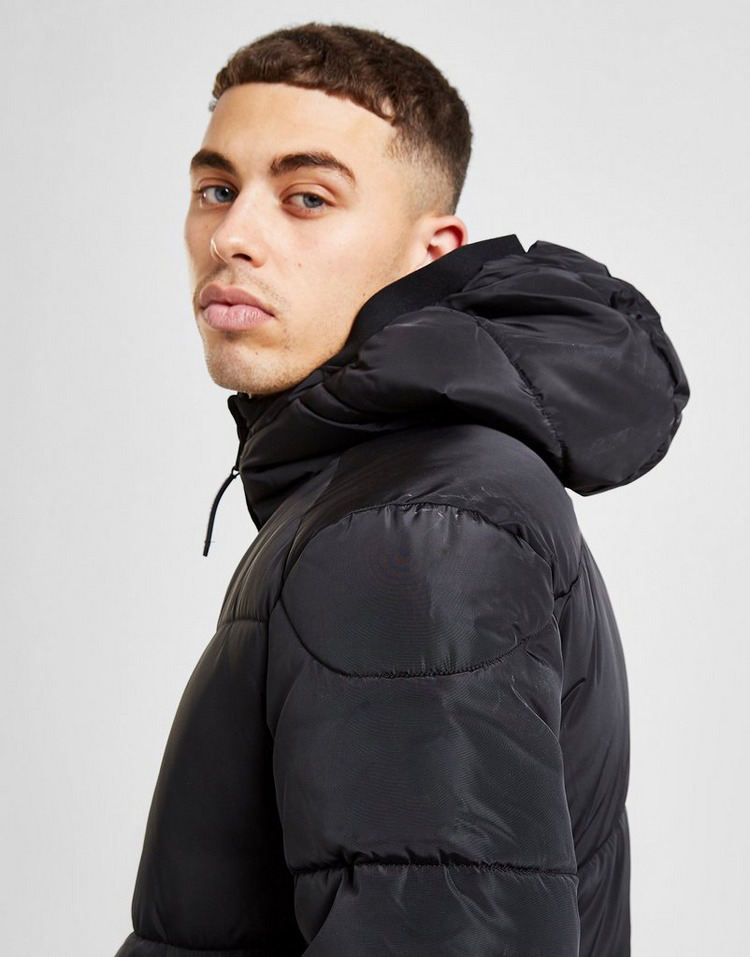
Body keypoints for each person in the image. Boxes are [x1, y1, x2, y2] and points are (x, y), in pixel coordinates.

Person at [115, 22, 690, 957]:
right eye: (217, 189)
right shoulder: (390, 488)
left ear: (432, 250)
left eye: (306, 198)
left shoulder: (414, 527)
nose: (231, 237)